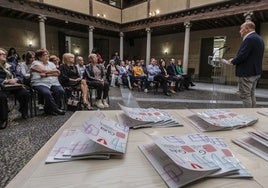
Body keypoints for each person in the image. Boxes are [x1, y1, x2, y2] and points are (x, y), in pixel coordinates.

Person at [227, 21, 265, 108]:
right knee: (251, 94)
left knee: (245, 96)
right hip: (256, 72)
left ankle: (248, 115)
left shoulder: (249, 39)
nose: (240, 31)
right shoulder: (259, 38)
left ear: (247, 29)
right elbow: (251, 55)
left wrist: (232, 61)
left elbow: (242, 55)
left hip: (247, 72)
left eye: (241, 28)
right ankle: (252, 112)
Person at [30, 49, 65, 115]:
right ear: (39, 57)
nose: (47, 56)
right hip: (39, 83)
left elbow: (57, 74)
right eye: (44, 55)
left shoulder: (51, 64)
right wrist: (54, 71)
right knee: (47, 93)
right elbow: (43, 70)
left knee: (60, 91)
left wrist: (46, 74)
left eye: (47, 54)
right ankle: (55, 108)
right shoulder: (35, 63)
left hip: (52, 82)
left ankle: (48, 110)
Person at [0, 47, 30, 119]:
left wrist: (16, 79)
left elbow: (20, 76)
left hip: (14, 86)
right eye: (1, 54)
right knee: (1, 97)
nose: (4, 55)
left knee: (24, 93)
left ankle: (23, 111)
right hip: (2, 87)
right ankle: (3, 118)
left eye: (4, 54)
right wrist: (5, 81)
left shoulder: (11, 65)